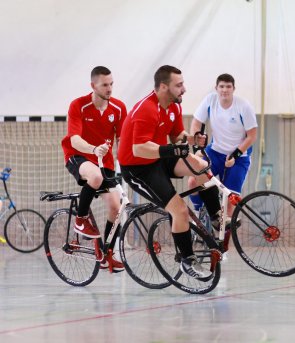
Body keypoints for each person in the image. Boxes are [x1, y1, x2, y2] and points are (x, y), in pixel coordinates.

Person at [118, 65, 221, 280]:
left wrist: (193, 139)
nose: (184, 89)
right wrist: (171, 149)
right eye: (179, 85)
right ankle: (187, 260)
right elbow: (139, 149)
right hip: (138, 169)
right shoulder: (146, 109)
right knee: (180, 211)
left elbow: (177, 138)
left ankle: (216, 219)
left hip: (158, 158)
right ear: (164, 87)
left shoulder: (173, 106)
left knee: (200, 165)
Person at [61, 66, 127, 273]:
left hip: (104, 162)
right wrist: (93, 148)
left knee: (117, 208)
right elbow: (75, 139)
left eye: (111, 84)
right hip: (78, 155)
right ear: (93, 86)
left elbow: (122, 140)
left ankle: (107, 253)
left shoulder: (118, 108)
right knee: (95, 177)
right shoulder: (79, 106)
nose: (109, 89)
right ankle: (80, 220)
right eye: (105, 85)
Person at [188, 73, 258, 234]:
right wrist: (198, 148)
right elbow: (196, 123)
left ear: (233, 89)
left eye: (228, 87)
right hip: (215, 151)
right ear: (216, 88)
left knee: (229, 203)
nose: (225, 90)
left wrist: (235, 155)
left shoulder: (243, 106)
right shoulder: (210, 101)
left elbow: (252, 136)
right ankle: (198, 214)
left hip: (239, 156)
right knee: (193, 181)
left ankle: (223, 246)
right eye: (222, 86)